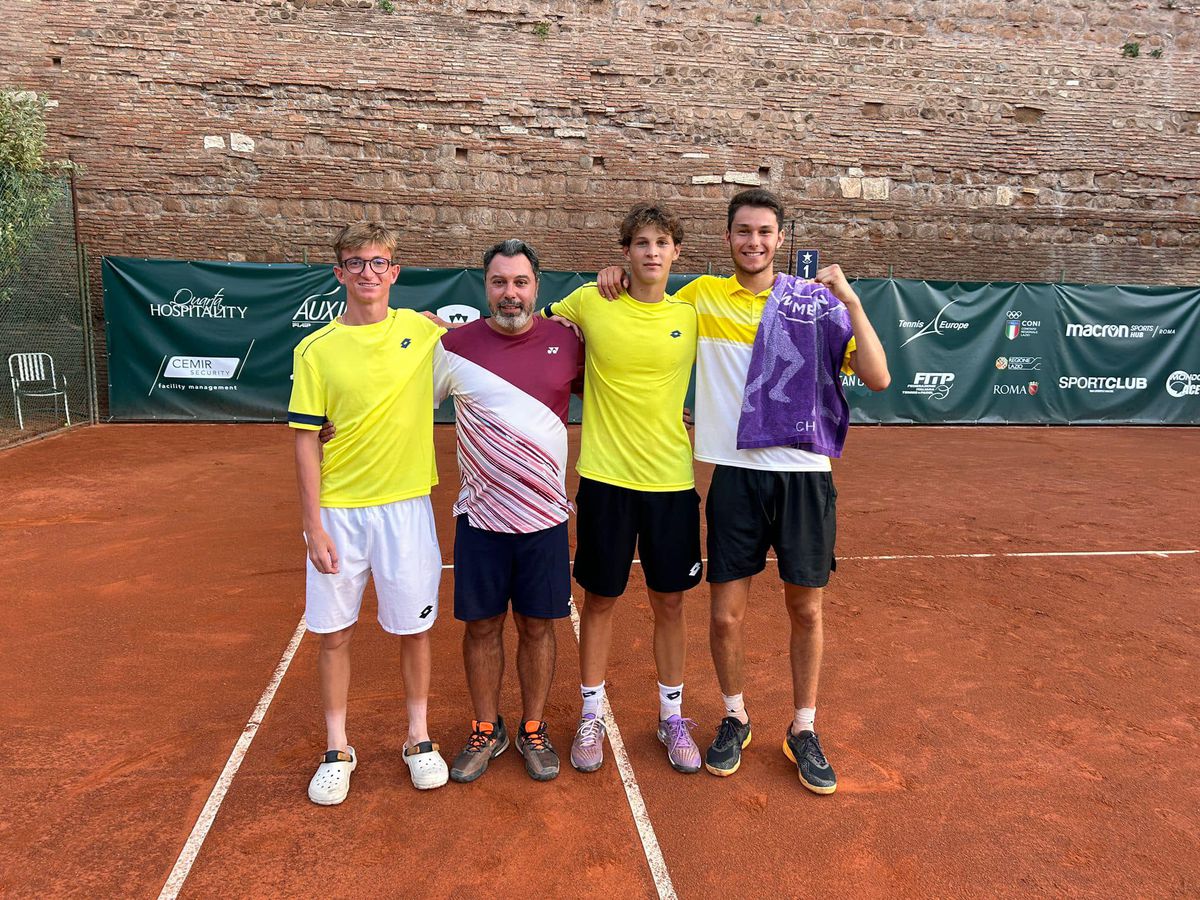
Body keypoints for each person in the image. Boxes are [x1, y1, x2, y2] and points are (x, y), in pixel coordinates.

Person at [597, 188, 890, 793]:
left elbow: (879, 378)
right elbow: (647, 307)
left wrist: (853, 302)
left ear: (780, 239)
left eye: (764, 232)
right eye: (742, 232)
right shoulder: (701, 297)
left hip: (807, 478)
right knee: (725, 615)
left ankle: (804, 727)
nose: (753, 242)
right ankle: (734, 716)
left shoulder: (815, 305)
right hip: (734, 476)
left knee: (805, 608)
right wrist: (616, 274)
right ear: (727, 239)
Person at [542, 203, 705, 775]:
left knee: (670, 603)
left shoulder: (694, 311)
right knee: (601, 601)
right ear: (626, 252)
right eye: (641, 242)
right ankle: (591, 713)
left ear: (676, 252)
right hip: (606, 480)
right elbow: (536, 331)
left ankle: (671, 716)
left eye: (662, 242)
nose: (652, 252)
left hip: (670, 482)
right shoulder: (588, 302)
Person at [289, 221, 449, 804]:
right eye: (355, 262)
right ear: (339, 272)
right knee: (333, 634)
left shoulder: (424, 332)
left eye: (379, 262)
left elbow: (499, 331)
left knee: (415, 629)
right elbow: (306, 439)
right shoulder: (315, 350)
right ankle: (337, 748)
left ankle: (418, 739)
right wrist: (313, 526)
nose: (368, 272)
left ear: (395, 272)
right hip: (340, 512)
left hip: (407, 509)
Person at [434, 240, 584, 783]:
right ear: (485, 287)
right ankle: (485, 727)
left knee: (539, 628)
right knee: (481, 628)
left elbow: (616, 393)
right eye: (499, 282)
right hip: (480, 520)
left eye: (520, 283)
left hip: (545, 520)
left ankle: (534, 727)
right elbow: (399, 403)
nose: (510, 294)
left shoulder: (568, 341)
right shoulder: (452, 347)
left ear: (537, 288)